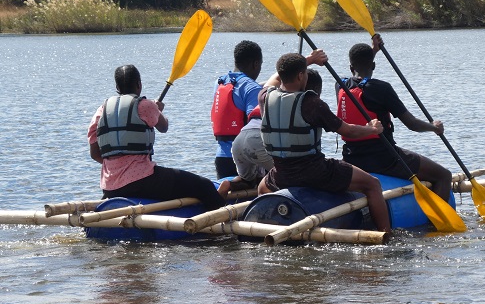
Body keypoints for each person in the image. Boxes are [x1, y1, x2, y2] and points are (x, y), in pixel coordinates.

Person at [257, 52, 392, 233]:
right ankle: (386, 234)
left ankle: (264, 222)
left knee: (262, 187)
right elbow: (349, 131)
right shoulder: (311, 103)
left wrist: (309, 60)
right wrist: (372, 129)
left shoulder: (265, 97)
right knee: (373, 184)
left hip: (282, 173)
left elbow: (274, 78)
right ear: (300, 75)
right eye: (305, 73)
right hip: (315, 173)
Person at [88, 64, 228, 207]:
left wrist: (118, 165)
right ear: (139, 84)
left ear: (117, 87)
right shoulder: (145, 105)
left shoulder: (101, 111)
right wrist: (157, 109)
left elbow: (94, 154)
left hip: (109, 186)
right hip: (143, 181)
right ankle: (220, 207)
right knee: (203, 185)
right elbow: (163, 126)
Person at [336, 35, 452, 201]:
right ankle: (441, 217)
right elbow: (411, 124)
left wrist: (373, 50)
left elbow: (360, 72)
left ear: (350, 67)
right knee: (443, 175)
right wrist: (434, 127)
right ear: (373, 65)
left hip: (351, 157)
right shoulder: (382, 88)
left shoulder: (340, 86)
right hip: (384, 158)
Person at [230, 68, 323, 191]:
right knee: (291, 174)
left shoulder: (270, 95)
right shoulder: (302, 103)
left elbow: (275, 78)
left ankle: (228, 185)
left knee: (248, 181)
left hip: (239, 140)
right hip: (258, 140)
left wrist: (308, 61)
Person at [211, 40, 263, 180]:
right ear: (256, 64)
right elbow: (255, 127)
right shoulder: (252, 88)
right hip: (245, 160)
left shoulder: (220, 83)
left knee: (229, 195)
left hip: (222, 159)